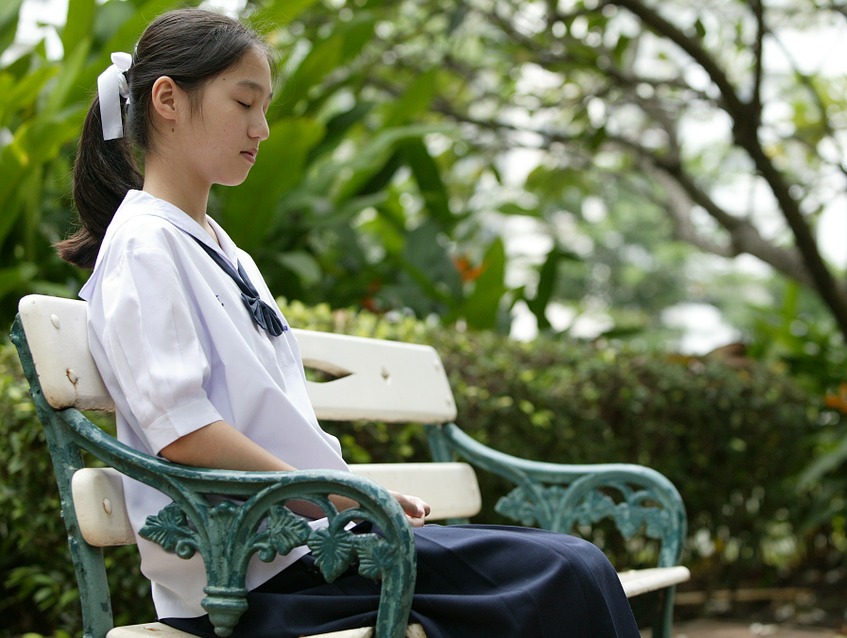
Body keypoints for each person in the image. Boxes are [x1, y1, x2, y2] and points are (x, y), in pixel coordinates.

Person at [59, 8, 642, 638]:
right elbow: (183, 433)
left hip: (316, 548)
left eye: (266, 107)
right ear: (168, 99)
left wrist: (351, 498)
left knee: (564, 568)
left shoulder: (219, 248)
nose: (263, 127)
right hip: (251, 580)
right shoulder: (145, 247)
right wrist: (347, 497)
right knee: (569, 570)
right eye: (244, 102)